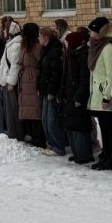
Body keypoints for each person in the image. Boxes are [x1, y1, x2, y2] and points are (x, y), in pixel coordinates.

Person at [87, 16, 112, 170]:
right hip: (98, 95)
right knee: (104, 128)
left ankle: (111, 158)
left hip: (105, 96)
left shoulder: (107, 47)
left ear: (99, 31)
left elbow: (111, 74)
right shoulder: (97, 46)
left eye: (92, 31)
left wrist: (107, 96)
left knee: (108, 129)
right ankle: (105, 155)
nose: (90, 34)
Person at [62, 29, 93, 163]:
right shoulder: (74, 55)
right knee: (72, 126)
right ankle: (77, 153)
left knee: (79, 126)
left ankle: (84, 155)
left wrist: (79, 97)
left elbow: (84, 80)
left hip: (78, 97)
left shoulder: (82, 56)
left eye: (67, 43)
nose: (65, 45)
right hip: (71, 95)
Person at [39, 26, 66, 155]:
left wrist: (51, 91)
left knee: (52, 120)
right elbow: (42, 71)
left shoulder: (55, 50)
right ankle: (50, 144)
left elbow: (56, 73)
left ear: (46, 37)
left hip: (52, 91)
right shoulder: (45, 49)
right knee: (45, 120)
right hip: (45, 90)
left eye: (40, 36)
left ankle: (58, 146)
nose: (38, 39)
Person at [18, 23, 45, 146]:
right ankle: (32, 134)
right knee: (28, 108)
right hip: (26, 79)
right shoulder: (25, 45)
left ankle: (39, 136)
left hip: (32, 79)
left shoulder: (36, 46)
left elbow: (41, 62)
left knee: (34, 108)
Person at [0, 20, 24, 141]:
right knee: (9, 110)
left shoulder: (16, 44)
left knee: (13, 110)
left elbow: (15, 65)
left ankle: (16, 134)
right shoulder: (10, 43)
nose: (4, 31)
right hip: (6, 80)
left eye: (6, 28)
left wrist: (11, 82)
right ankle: (12, 132)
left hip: (10, 83)